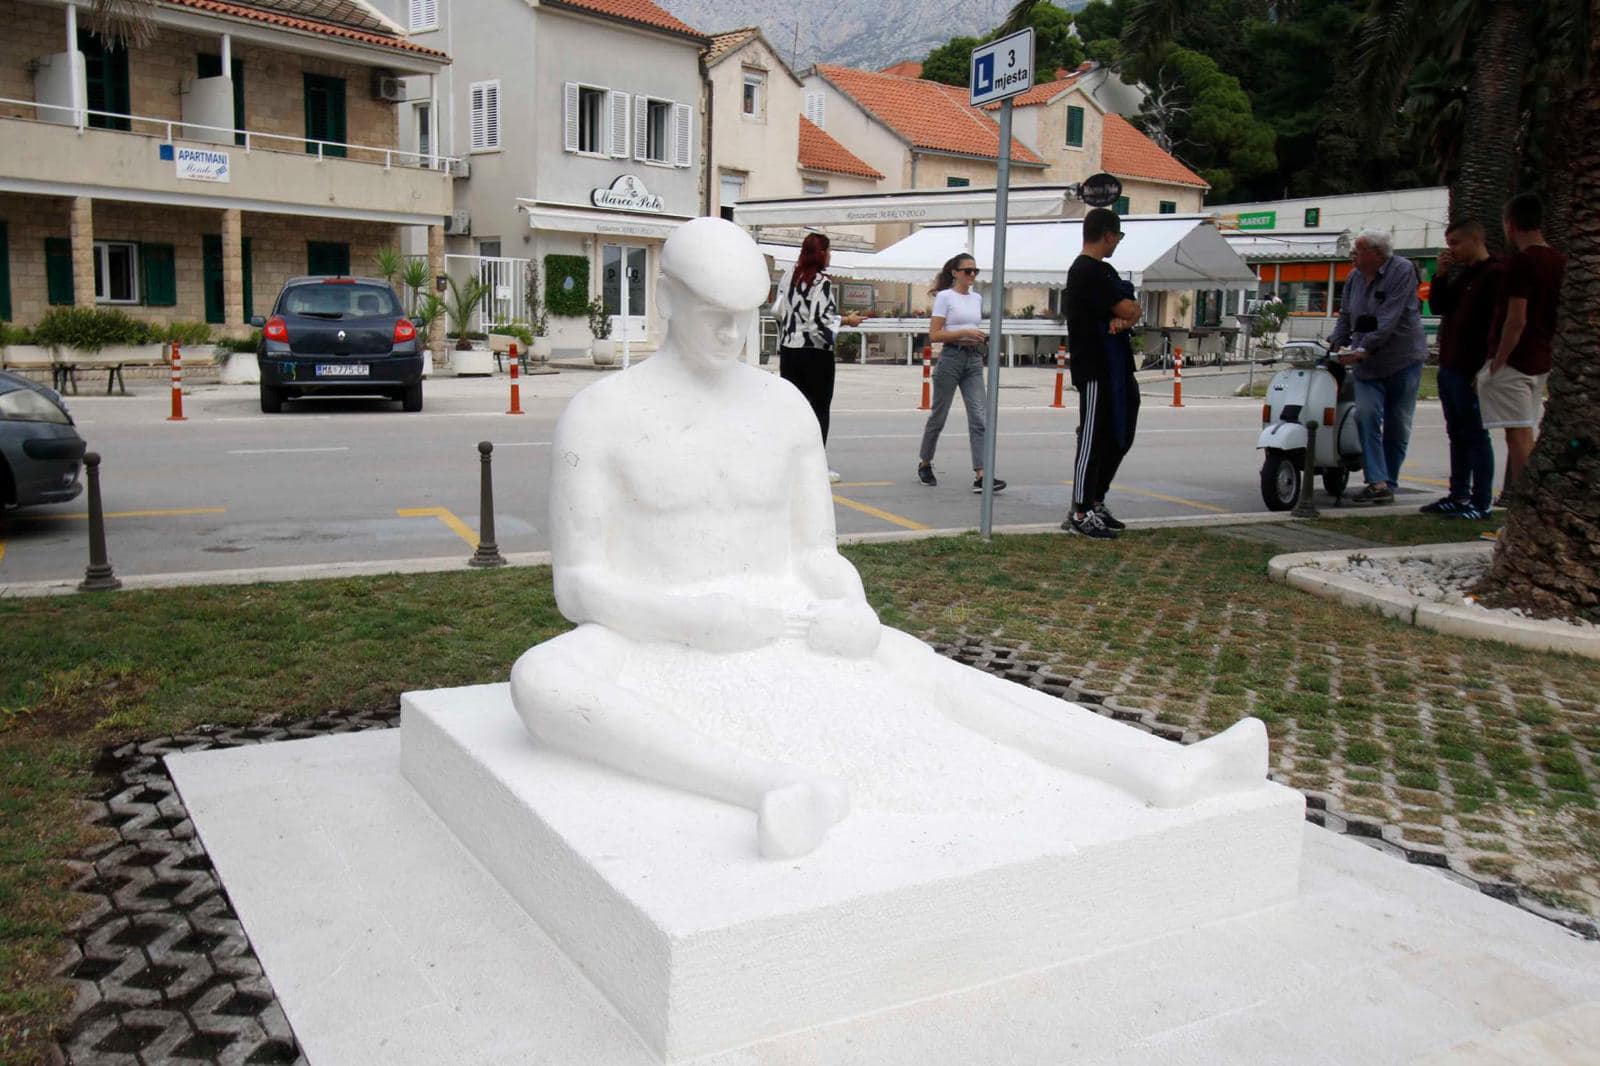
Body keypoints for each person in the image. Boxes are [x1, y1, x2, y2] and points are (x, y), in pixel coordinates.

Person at [508, 217, 1268, 859]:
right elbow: (578, 586)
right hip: (660, 630)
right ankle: (768, 786)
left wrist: (849, 602)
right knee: (545, 680)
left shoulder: (784, 410)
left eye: (748, 315)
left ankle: (1152, 768)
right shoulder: (602, 414)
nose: (734, 335)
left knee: (940, 677)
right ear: (670, 297)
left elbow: (815, 554)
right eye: (714, 315)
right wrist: (691, 621)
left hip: (788, 617)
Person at [1327, 230, 1428, 504]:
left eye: (1357, 251)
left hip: (1402, 359)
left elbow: (1389, 318)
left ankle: (1388, 482)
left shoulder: (1402, 270)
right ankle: (1377, 481)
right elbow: (1347, 315)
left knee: (1397, 423)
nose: (1353, 257)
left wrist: (1364, 348)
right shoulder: (1353, 278)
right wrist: (1335, 342)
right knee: (1365, 415)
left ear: (1376, 253)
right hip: (1367, 364)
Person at [1063, 207, 1141, 539]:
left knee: (1119, 435)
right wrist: (1123, 311)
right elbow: (1126, 307)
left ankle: (1097, 499)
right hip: (1094, 366)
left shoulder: (1104, 271)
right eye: (1118, 237)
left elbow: (1133, 309)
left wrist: (1124, 314)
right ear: (1107, 234)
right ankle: (1080, 510)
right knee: (1092, 438)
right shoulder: (1085, 271)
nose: (1117, 244)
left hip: (1117, 365)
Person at [1482, 192, 1565, 503]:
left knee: (1517, 435)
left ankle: (1526, 503)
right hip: (1543, 355)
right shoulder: (1560, 260)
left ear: (1511, 224)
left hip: (1518, 359)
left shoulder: (1522, 263)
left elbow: (1516, 318)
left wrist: (1498, 360)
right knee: (1524, 429)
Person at [1422, 220, 1504, 520]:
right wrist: (1441, 275)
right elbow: (1440, 305)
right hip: (1450, 364)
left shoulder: (1494, 274)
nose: (1451, 250)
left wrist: (1487, 365)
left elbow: (1498, 322)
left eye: (1456, 243)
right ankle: (1459, 494)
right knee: (1456, 432)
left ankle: (1481, 501)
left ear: (1474, 240)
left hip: (1471, 366)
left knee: (1475, 434)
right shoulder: (1465, 276)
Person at [773, 233, 862, 484]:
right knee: (819, 409)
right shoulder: (821, 281)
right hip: (815, 353)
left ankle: (790, 462)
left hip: (790, 351)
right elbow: (819, 322)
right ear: (821, 253)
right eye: (829, 250)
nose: (831, 255)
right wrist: (846, 320)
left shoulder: (789, 276)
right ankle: (815, 465)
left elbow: (780, 310)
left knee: (795, 409)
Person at [916, 254, 1006, 493]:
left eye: (975, 270)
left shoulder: (976, 298)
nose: (972, 275)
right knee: (939, 415)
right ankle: (925, 462)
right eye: (968, 271)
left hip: (973, 358)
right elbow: (935, 334)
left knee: (979, 416)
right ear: (955, 273)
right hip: (951, 358)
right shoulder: (945, 297)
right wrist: (962, 332)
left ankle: (981, 474)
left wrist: (977, 335)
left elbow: (972, 326)